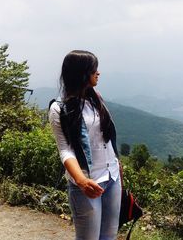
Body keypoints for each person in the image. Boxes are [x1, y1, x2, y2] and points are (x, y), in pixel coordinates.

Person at [48, 50, 121, 240]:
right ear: (81, 74)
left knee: (109, 236)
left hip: (112, 178)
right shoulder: (59, 108)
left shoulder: (95, 99)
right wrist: (81, 181)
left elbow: (105, 137)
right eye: (93, 69)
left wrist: (117, 164)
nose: (98, 73)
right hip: (87, 182)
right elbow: (65, 149)